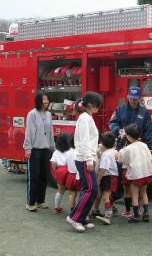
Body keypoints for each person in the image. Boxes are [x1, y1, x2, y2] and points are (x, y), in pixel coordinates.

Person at [109, 85, 152, 216]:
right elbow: (112, 123)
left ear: (139, 98)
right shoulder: (120, 109)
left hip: (137, 150)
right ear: (128, 97)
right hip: (122, 147)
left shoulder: (144, 112)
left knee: (136, 180)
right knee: (119, 178)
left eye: (136, 99)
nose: (133, 101)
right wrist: (118, 130)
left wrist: (148, 148)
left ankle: (136, 209)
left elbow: (149, 131)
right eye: (131, 98)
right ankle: (120, 204)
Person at [65, 91, 102, 232]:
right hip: (84, 159)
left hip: (85, 157)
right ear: (91, 105)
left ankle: (81, 218)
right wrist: (89, 160)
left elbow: (85, 141)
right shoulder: (85, 118)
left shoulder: (86, 117)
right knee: (90, 189)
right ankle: (74, 217)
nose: (98, 108)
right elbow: (85, 141)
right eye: (97, 105)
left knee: (89, 189)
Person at [23, 92, 55, 212]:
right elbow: (29, 132)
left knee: (43, 177)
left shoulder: (48, 115)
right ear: (38, 101)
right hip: (35, 150)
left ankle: (40, 201)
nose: (46, 101)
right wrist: (27, 149)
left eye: (47, 99)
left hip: (46, 150)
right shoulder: (32, 114)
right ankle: (30, 203)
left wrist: (53, 147)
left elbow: (51, 132)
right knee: (34, 177)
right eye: (43, 99)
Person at [118, 124, 152, 222]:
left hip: (136, 174)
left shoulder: (128, 149)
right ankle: (146, 213)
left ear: (128, 136)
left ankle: (136, 215)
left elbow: (124, 161)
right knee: (144, 193)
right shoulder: (144, 145)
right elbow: (150, 157)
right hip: (146, 172)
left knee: (135, 195)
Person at [96, 132, 119, 225]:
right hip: (113, 176)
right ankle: (112, 209)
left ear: (102, 143)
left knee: (106, 196)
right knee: (108, 195)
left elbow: (103, 168)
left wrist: (98, 179)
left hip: (108, 176)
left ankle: (107, 215)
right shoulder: (114, 151)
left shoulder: (105, 154)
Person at [50, 133, 70, 213]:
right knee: (72, 192)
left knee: (60, 190)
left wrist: (56, 173)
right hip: (69, 171)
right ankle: (73, 208)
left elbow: (53, 163)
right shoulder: (70, 152)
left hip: (60, 171)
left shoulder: (56, 152)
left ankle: (57, 207)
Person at [65, 134, 81, 212]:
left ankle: (72, 208)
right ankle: (79, 209)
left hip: (70, 175)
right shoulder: (79, 152)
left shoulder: (67, 152)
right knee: (80, 193)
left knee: (72, 193)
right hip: (79, 175)